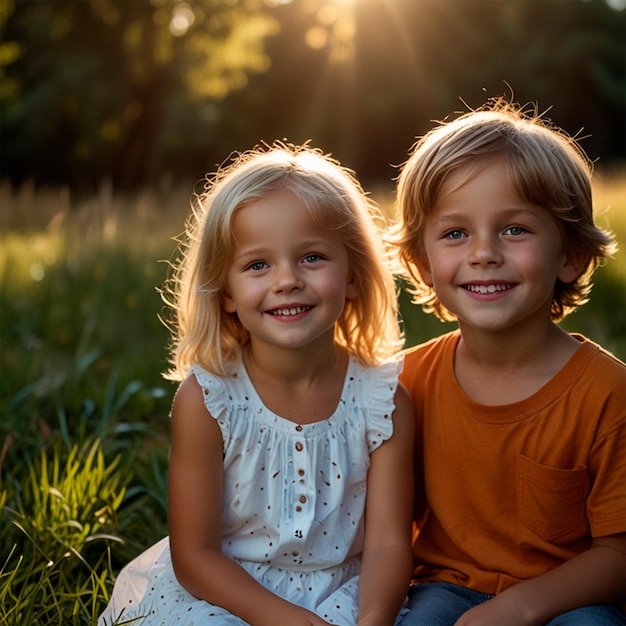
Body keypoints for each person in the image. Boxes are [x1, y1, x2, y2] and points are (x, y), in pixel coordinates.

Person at [99, 142, 415, 626]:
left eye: (312, 257)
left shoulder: (382, 400)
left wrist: (372, 620)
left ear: (353, 276)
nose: (286, 280)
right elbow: (196, 554)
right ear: (226, 293)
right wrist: (288, 620)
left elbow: (390, 543)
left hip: (348, 592)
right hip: (228, 593)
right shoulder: (210, 400)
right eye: (257, 265)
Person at [391, 99, 625, 625]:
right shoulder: (404, 382)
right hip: (445, 589)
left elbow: (618, 555)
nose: (484, 252)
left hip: (571, 600)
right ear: (424, 263)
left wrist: (520, 608)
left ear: (570, 255)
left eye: (515, 229)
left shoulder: (607, 392)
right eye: (455, 233)